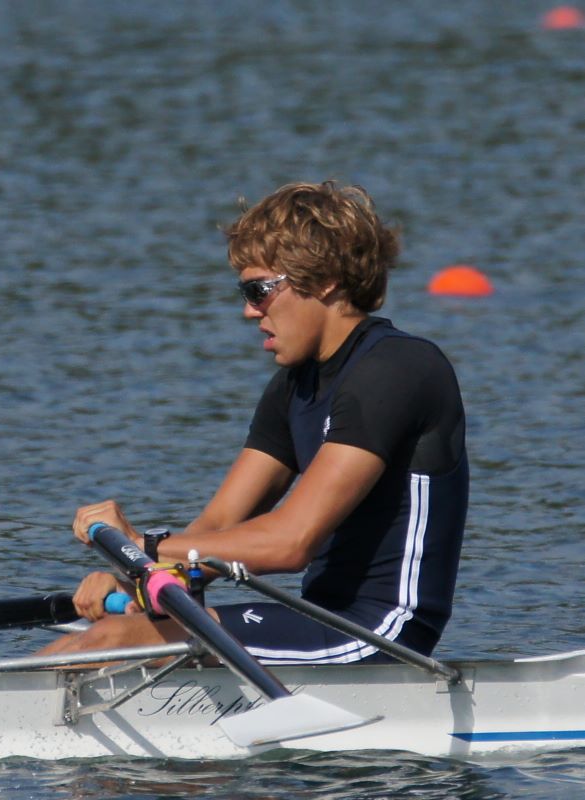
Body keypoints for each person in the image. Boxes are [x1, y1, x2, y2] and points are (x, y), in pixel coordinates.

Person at [39, 180, 468, 665]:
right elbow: (219, 525)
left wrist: (144, 545)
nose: (248, 311)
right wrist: (136, 580)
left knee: (109, 642)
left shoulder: (398, 370)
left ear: (323, 280)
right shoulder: (294, 386)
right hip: (319, 618)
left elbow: (291, 542)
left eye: (259, 290)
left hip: (382, 632)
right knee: (83, 641)